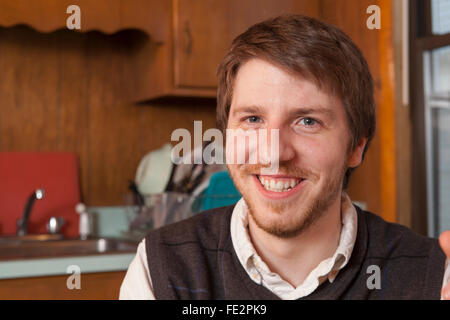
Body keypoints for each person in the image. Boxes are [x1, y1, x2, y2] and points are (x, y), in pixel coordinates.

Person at [119, 14, 450, 300]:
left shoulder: (431, 277)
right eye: (253, 119)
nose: (274, 152)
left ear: (356, 147)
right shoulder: (162, 269)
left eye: (307, 121)